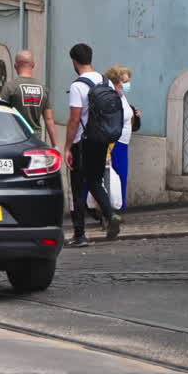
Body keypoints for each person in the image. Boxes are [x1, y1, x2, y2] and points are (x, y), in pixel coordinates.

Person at [63, 43, 122, 246]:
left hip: (82, 141)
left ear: (74, 61)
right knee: (95, 181)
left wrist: (67, 146)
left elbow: (74, 119)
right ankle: (111, 215)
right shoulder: (106, 81)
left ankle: (80, 235)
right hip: (101, 140)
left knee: (78, 188)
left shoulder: (77, 86)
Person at [0, 50, 58, 148]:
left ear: (15, 66)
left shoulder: (10, 87)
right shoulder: (43, 89)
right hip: (35, 141)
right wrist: (55, 145)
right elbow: (49, 119)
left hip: (15, 140)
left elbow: (0, 114)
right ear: (33, 65)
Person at [102, 64, 139, 211]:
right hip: (115, 143)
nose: (128, 84)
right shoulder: (111, 98)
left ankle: (119, 206)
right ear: (116, 82)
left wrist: (135, 115)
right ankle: (113, 207)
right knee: (115, 176)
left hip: (123, 143)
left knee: (121, 176)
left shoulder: (122, 96)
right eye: (125, 81)